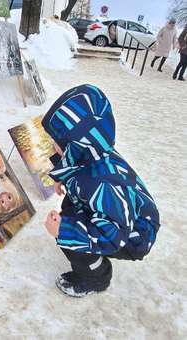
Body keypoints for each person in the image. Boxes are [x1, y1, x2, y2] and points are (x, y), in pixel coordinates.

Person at [42, 84, 160, 297]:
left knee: (71, 233)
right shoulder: (95, 151)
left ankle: (95, 278)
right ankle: (85, 250)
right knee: (70, 212)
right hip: (119, 215)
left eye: (58, 143)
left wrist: (65, 231)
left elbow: (112, 234)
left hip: (132, 235)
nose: (52, 145)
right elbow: (81, 170)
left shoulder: (103, 183)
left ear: (78, 145)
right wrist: (63, 178)